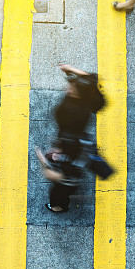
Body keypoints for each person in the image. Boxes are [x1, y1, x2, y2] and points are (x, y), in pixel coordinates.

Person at [37, 64, 106, 213]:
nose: (67, 89)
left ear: (79, 93)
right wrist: (71, 69)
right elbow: (92, 80)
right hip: (75, 143)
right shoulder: (88, 103)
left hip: (72, 151)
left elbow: (64, 171)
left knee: (62, 188)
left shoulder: (71, 112)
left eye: (72, 88)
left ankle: (58, 206)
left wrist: (47, 166)